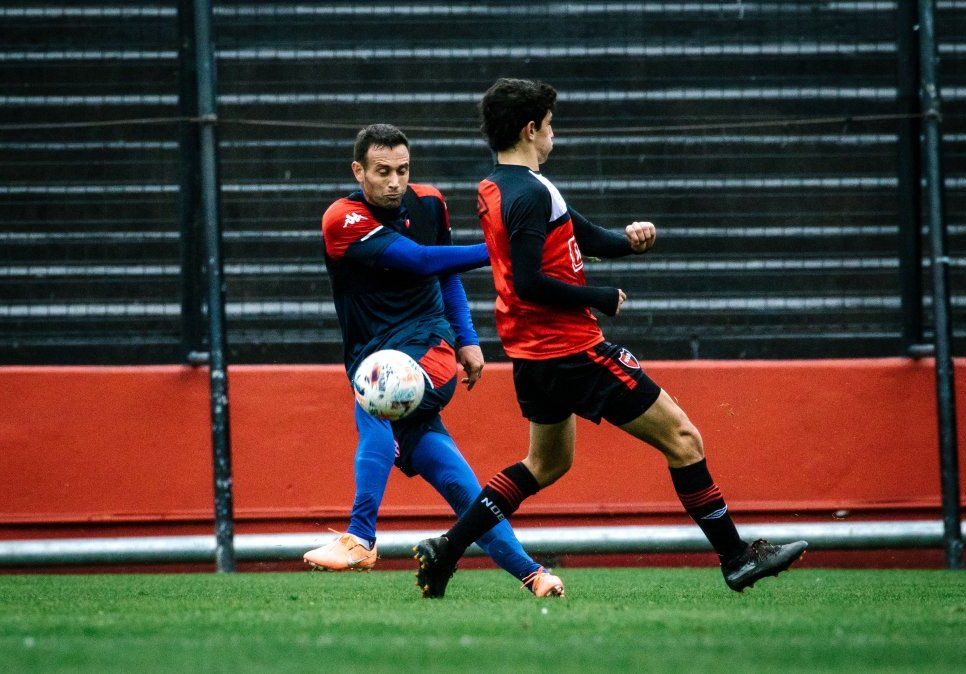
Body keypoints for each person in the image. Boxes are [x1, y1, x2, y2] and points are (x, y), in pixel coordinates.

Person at [414, 79, 807, 598]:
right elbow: (529, 281)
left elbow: (581, 235)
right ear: (530, 129)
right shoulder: (530, 193)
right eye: (549, 125)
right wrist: (597, 296)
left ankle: (446, 550)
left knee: (546, 464)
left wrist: (629, 242)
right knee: (684, 439)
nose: (553, 135)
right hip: (573, 351)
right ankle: (736, 557)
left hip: (533, 356)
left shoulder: (500, 187)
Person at [303, 123, 563, 598]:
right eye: (382, 171)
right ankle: (536, 575)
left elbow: (445, 275)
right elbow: (423, 260)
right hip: (374, 361)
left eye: (403, 170)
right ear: (358, 171)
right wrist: (507, 249)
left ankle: (360, 538)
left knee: (374, 399)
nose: (395, 182)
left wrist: (467, 339)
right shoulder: (342, 219)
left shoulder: (429, 203)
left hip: (429, 351)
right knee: (462, 488)